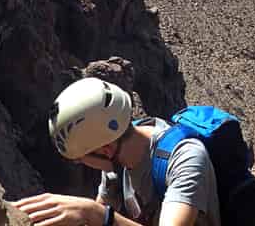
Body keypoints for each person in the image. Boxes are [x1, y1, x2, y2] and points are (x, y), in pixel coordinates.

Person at [12, 77, 221, 226]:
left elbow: (100, 214)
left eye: (79, 159)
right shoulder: (115, 162)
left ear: (105, 149)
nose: (82, 164)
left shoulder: (185, 158)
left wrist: (95, 214)